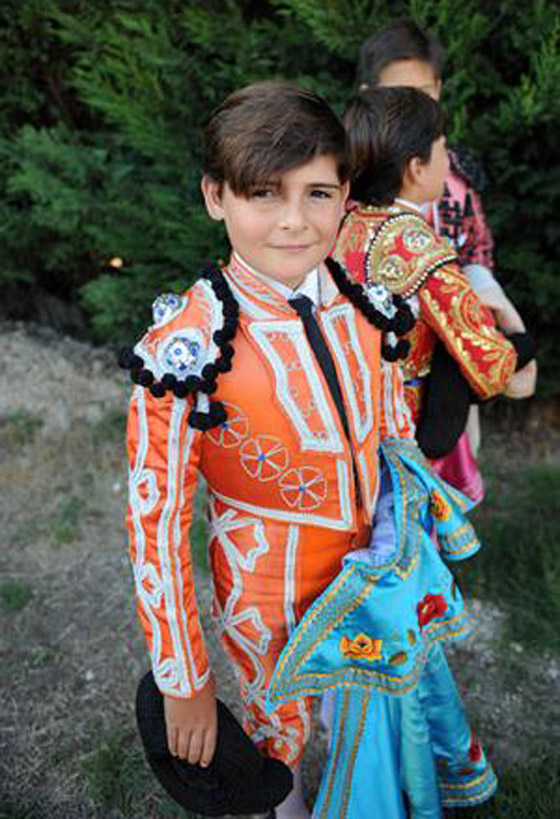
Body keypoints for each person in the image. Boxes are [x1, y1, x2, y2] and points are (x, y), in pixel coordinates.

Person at [121, 80, 414, 819]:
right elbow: (155, 524)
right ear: (214, 196)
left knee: (365, 716)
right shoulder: (184, 350)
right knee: (275, 743)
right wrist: (183, 679)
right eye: (263, 193)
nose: (293, 220)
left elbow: (395, 439)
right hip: (264, 590)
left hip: (373, 575)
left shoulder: (368, 306)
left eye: (317, 194)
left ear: (345, 196)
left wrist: (413, 538)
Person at [354, 17, 536, 499]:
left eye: (423, 93)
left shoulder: (456, 176)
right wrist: (518, 344)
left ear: (437, 88)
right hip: (396, 373)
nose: (415, 106)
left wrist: (479, 291)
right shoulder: (347, 182)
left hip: (446, 354)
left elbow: (478, 248)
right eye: (398, 95)